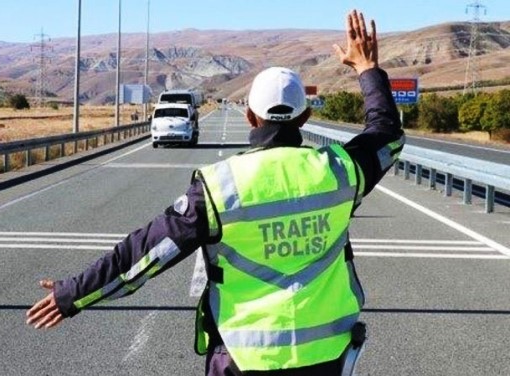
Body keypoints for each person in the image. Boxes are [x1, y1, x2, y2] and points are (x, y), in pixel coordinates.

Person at [27, 9, 404, 376]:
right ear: (304, 119)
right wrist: (367, 69)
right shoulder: (340, 171)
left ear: (250, 117)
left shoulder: (220, 188)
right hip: (328, 355)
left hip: (245, 359)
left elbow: (143, 254)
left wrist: (73, 295)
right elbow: (386, 132)